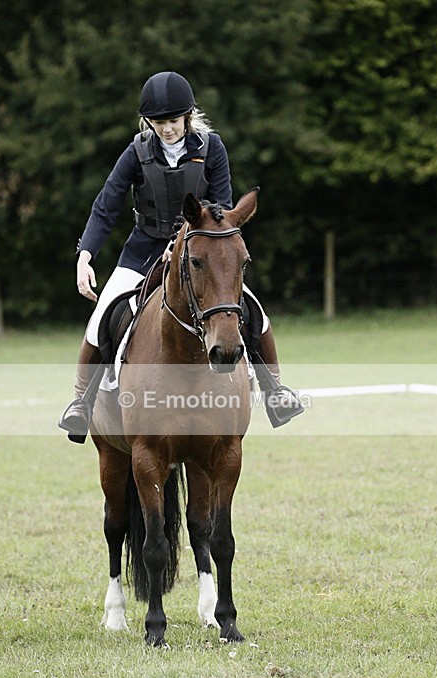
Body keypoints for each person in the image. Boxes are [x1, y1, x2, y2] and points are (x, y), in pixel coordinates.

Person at [59, 71, 303, 442]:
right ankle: (81, 403)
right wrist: (85, 255)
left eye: (173, 121)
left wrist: (190, 243)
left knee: (253, 310)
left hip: (201, 248)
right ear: (148, 122)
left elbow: (221, 207)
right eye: (159, 122)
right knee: (102, 316)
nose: (167, 129)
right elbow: (106, 206)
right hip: (144, 248)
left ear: (187, 117)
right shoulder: (136, 152)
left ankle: (276, 391)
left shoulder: (211, 148)